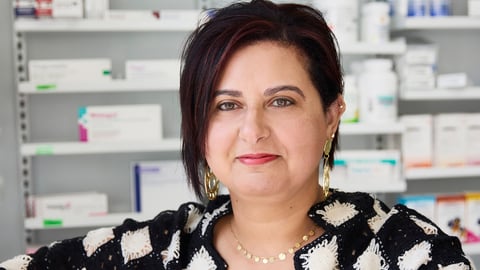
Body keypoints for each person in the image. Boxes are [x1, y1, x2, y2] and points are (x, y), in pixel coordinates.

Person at [0, 0, 474, 269]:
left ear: (332, 116)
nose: (253, 130)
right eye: (226, 105)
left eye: (281, 101)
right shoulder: (158, 249)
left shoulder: (407, 251)